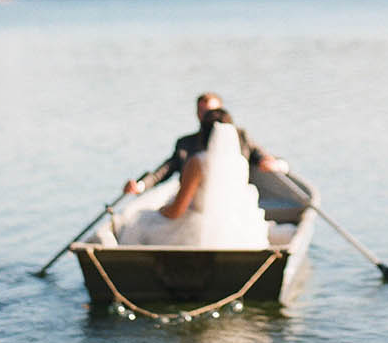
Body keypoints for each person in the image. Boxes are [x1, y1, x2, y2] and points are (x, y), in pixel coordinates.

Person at [114, 108, 271, 248]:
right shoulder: (241, 162)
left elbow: (177, 210)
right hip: (235, 231)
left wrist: (160, 211)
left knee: (140, 221)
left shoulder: (198, 162)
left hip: (197, 231)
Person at [123, 92, 287, 197]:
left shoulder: (240, 137)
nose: (207, 117)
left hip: (234, 200)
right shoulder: (186, 144)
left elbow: (262, 157)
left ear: (221, 111)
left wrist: (274, 164)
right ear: (196, 114)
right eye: (202, 112)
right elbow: (163, 171)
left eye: (211, 112)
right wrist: (140, 186)